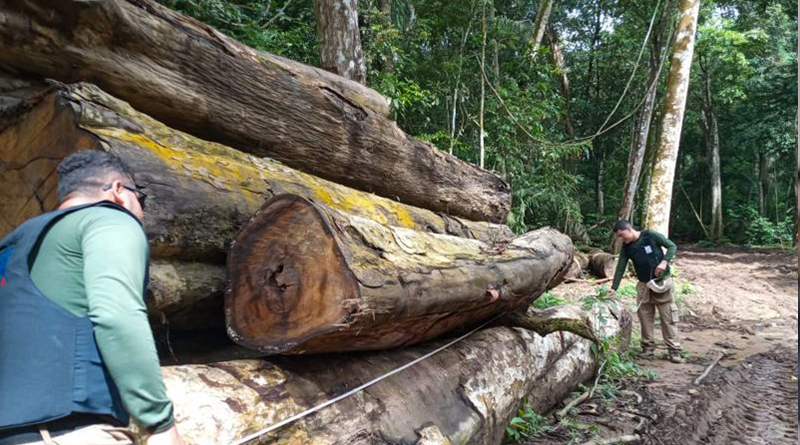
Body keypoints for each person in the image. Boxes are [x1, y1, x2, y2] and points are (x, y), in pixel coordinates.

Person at [0, 150, 185, 445]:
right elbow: (118, 314)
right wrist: (159, 423)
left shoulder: (12, 246)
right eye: (143, 200)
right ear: (119, 191)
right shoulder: (108, 220)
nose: (141, 211)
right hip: (65, 431)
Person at [609, 219, 683, 364]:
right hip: (644, 285)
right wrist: (614, 288)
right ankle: (648, 347)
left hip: (662, 283)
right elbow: (620, 267)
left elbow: (672, 246)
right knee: (645, 317)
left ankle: (674, 350)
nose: (621, 238)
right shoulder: (627, 247)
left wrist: (664, 262)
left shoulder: (650, 235)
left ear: (629, 229)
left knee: (668, 317)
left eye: (622, 235)